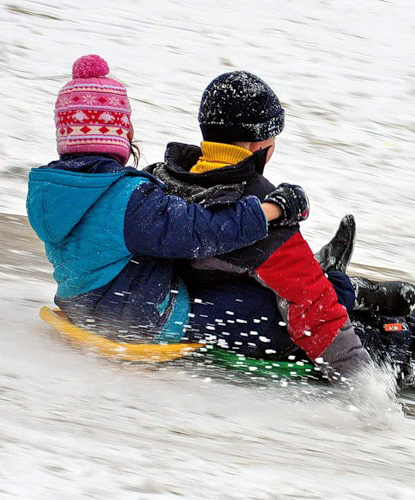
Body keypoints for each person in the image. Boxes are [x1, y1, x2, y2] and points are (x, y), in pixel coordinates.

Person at [148, 70, 415, 398]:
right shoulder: (258, 212)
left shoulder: (168, 180)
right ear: (261, 146)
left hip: (238, 299)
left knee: (351, 296)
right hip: (283, 328)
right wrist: (363, 384)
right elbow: (314, 308)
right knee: (394, 336)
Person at [26, 55, 310, 346]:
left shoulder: (50, 191)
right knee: (261, 309)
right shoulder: (127, 198)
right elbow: (200, 231)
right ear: (118, 131)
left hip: (83, 304)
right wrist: (272, 210)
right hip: (141, 317)